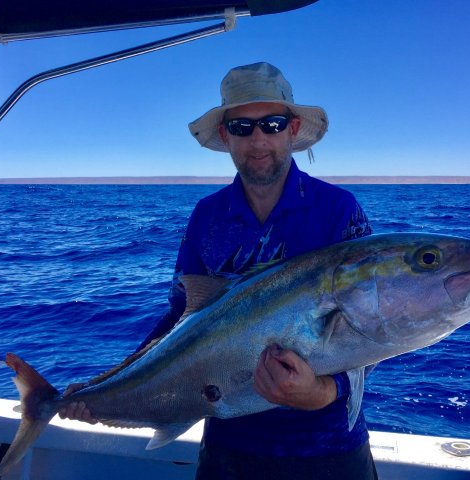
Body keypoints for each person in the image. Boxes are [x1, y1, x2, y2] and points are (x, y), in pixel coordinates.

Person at [60, 62, 378, 480]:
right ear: (226, 135)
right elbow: (179, 320)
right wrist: (109, 388)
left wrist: (323, 392)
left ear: (293, 129)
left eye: (272, 123)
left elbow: (373, 325)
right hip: (229, 449)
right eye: (243, 128)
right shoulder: (207, 217)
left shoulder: (338, 211)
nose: (258, 139)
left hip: (329, 446)